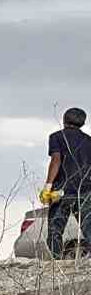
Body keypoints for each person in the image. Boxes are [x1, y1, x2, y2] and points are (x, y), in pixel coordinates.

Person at [43, 107, 90, 258]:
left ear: (64, 120)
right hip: (85, 192)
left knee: (55, 230)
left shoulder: (56, 137)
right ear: (82, 123)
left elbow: (56, 160)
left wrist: (48, 186)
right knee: (89, 228)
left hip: (60, 192)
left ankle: (57, 263)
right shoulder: (89, 141)